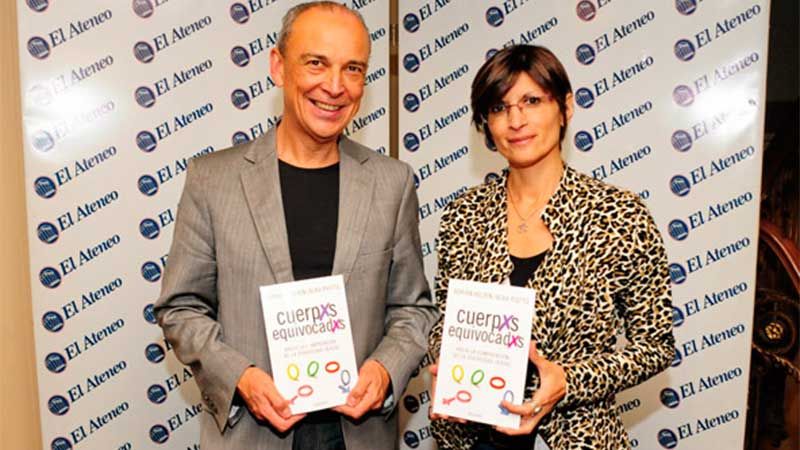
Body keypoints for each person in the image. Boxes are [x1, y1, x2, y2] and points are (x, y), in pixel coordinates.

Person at [155, 3, 438, 450]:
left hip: (358, 434)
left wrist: (385, 369)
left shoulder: (392, 183)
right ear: (278, 66)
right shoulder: (212, 180)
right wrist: (240, 377)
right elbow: (181, 307)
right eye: (316, 63)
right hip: (252, 435)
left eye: (353, 69)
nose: (335, 86)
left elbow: (412, 309)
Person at [427, 45, 675, 450]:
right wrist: (447, 366)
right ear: (486, 123)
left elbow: (655, 347)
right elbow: (446, 321)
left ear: (565, 107)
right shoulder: (463, 215)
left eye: (532, 101)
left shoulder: (619, 215)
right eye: (499, 107)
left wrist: (568, 381)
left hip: (576, 438)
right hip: (472, 437)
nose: (516, 121)